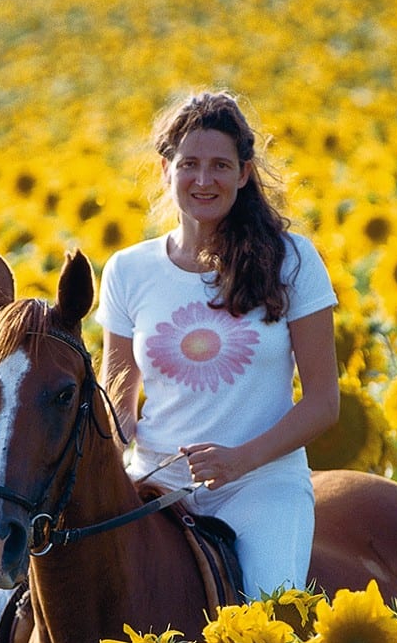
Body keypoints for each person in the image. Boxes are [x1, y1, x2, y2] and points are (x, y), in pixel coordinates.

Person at [97, 90, 340, 599]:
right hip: (154, 488)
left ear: (244, 173)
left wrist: (239, 461)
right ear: (166, 169)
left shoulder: (291, 260)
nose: (203, 180)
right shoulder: (127, 270)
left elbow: (323, 403)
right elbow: (116, 401)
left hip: (261, 487)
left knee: (266, 622)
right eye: (189, 164)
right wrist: (108, 457)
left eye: (220, 166)